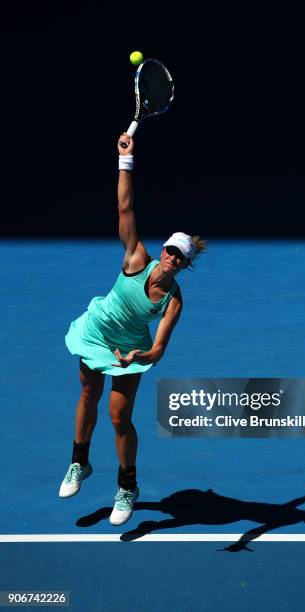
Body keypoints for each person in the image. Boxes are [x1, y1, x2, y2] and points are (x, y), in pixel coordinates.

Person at [59, 132, 205, 526]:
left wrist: (138, 356)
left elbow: (158, 351)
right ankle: (80, 463)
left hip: (130, 350)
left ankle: (127, 487)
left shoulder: (173, 301)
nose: (173, 258)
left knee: (119, 417)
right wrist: (125, 160)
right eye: (171, 251)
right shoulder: (136, 257)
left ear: (185, 266)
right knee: (88, 393)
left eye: (181, 257)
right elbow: (125, 209)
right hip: (96, 332)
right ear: (163, 251)